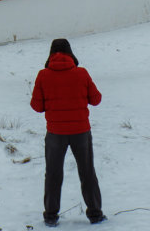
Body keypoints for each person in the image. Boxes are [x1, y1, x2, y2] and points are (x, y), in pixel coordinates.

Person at [30, 38, 105, 226]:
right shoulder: (82, 73)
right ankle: (95, 214)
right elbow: (96, 100)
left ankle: (50, 216)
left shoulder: (43, 75)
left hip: (55, 133)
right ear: (70, 53)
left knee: (53, 174)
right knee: (87, 172)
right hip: (81, 132)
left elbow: (36, 106)